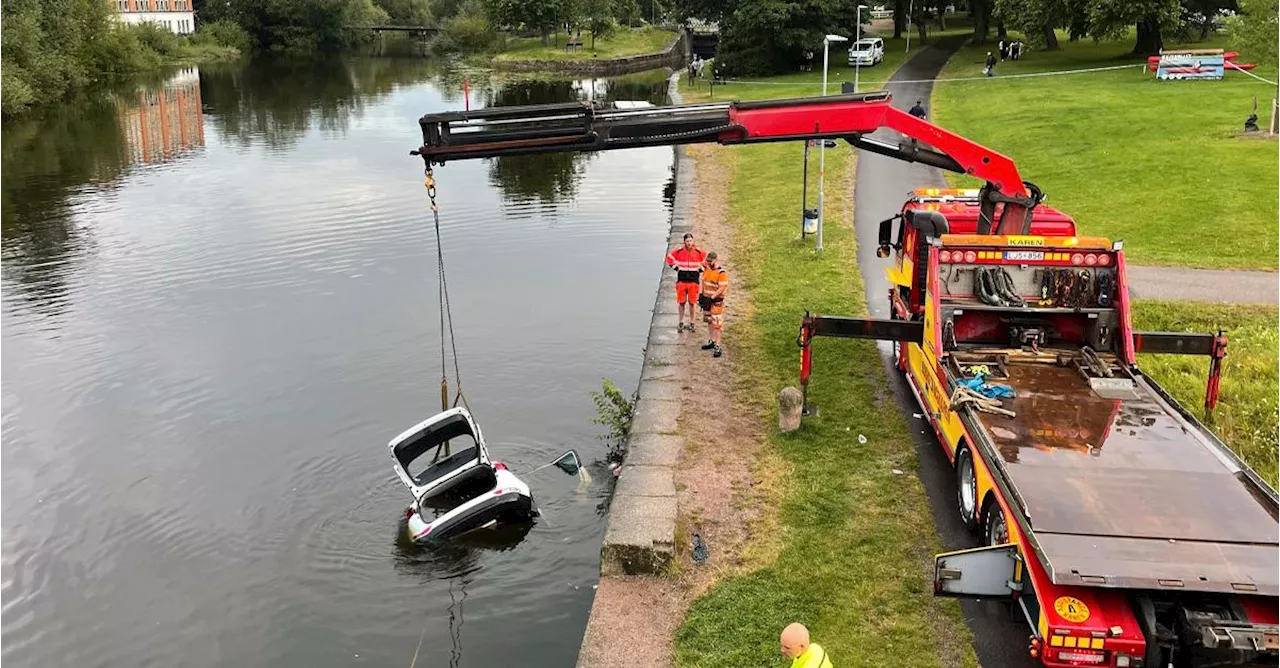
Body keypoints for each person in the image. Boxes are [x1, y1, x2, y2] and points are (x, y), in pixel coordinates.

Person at [665, 233, 707, 332]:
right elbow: (669, 258)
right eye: (687, 241)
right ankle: (681, 322)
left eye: (691, 241)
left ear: (693, 241)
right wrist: (676, 268)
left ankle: (692, 322)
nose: (689, 243)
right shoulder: (679, 251)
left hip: (693, 282)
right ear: (684, 242)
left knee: (692, 303)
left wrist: (700, 270)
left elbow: (707, 260)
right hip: (682, 282)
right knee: (681, 302)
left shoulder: (698, 252)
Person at [697, 251, 728, 357]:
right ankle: (712, 341)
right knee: (709, 321)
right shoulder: (706, 269)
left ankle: (718, 346)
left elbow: (722, 287)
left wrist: (712, 297)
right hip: (706, 300)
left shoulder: (721, 273)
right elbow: (703, 280)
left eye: (711, 261)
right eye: (708, 261)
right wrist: (701, 294)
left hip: (715, 302)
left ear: (716, 260)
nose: (708, 263)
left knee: (717, 324)